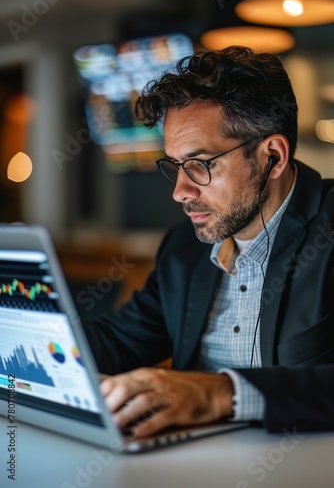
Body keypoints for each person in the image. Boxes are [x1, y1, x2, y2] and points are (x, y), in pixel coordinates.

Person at [83, 46, 334, 439]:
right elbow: (119, 340)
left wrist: (219, 394)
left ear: (273, 156)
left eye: (200, 164)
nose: (180, 192)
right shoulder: (183, 250)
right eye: (175, 166)